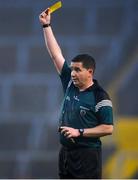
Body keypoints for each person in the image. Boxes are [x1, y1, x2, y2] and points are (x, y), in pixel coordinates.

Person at [39, 8, 113, 179]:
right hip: (65, 153)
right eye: (72, 69)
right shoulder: (70, 83)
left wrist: (78, 132)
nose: (72, 73)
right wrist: (46, 26)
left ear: (90, 72)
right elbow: (55, 55)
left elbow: (108, 128)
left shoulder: (100, 96)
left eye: (77, 70)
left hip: (87, 156)